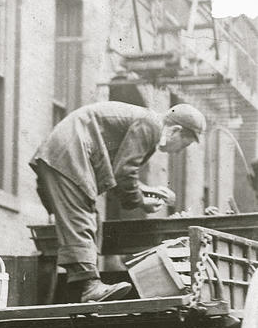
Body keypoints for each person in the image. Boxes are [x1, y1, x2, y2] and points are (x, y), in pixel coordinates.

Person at [31, 101, 205, 302]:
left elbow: (118, 172)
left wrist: (146, 190)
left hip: (67, 152)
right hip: (70, 154)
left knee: (90, 218)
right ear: (175, 130)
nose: (179, 151)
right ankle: (89, 287)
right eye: (185, 144)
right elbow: (123, 173)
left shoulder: (148, 122)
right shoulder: (151, 126)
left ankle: (81, 287)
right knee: (81, 217)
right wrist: (141, 201)